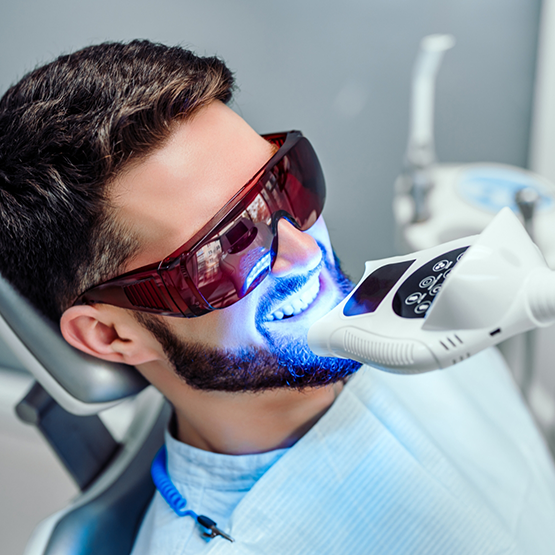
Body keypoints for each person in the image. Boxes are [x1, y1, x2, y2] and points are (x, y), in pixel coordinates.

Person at [1, 40, 555, 555]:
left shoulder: (424, 308)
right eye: (229, 244)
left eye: (285, 183)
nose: (305, 252)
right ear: (112, 334)